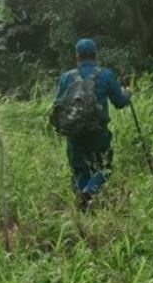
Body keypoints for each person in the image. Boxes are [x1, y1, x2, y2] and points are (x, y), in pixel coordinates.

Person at [54, 38, 131, 210]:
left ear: (77, 57)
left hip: (74, 135)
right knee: (104, 167)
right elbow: (119, 102)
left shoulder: (66, 78)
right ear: (96, 55)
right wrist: (128, 94)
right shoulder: (106, 75)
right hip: (98, 133)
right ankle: (90, 191)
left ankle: (84, 203)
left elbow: (57, 106)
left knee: (80, 170)